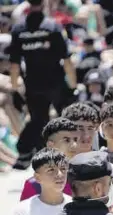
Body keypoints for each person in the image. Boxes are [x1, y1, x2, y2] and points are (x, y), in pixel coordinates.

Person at [8, 0, 77, 169]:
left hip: (33, 83)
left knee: (40, 121)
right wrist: (73, 83)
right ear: (44, 3)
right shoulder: (52, 26)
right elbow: (66, 59)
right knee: (64, 118)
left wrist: (15, 87)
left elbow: (14, 64)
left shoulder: (18, 29)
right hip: (55, 82)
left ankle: (45, 162)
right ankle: (70, 157)